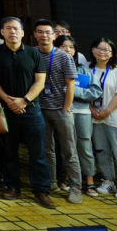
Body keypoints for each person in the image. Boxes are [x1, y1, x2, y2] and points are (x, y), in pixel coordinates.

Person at [0, 17, 55, 208]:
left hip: (31, 110)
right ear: (2, 32)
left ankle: (41, 190)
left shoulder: (33, 53)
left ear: (23, 33)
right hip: (6, 110)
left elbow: (40, 82)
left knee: (37, 152)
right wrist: (8, 101)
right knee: (9, 151)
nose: (12, 31)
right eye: (8, 28)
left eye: (16, 28)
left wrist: (24, 100)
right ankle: (12, 186)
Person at [31, 21, 82, 204]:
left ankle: (75, 187)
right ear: (34, 34)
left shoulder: (64, 57)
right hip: (40, 109)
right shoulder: (32, 53)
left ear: (54, 35)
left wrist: (66, 108)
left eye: (47, 32)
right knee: (46, 149)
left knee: (69, 150)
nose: (44, 35)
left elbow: (71, 84)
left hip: (61, 109)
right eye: (40, 32)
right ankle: (51, 182)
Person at [88, 37, 117, 201]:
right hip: (95, 117)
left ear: (112, 53)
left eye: (107, 49)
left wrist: (107, 111)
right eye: (99, 48)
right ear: (93, 50)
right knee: (102, 151)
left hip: (115, 116)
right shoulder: (87, 69)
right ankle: (108, 180)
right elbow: (80, 91)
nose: (102, 52)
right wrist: (92, 110)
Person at [57, 35, 102, 197]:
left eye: (71, 47)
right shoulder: (52, 68)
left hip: (82, 112)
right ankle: (68, 177)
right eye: (63, 46)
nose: (68, 49)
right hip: (61, 111)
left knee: (84, 146)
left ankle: (90, 180)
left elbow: (96, 91)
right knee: (67, 146)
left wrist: (74, 91)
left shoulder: (84, 69)